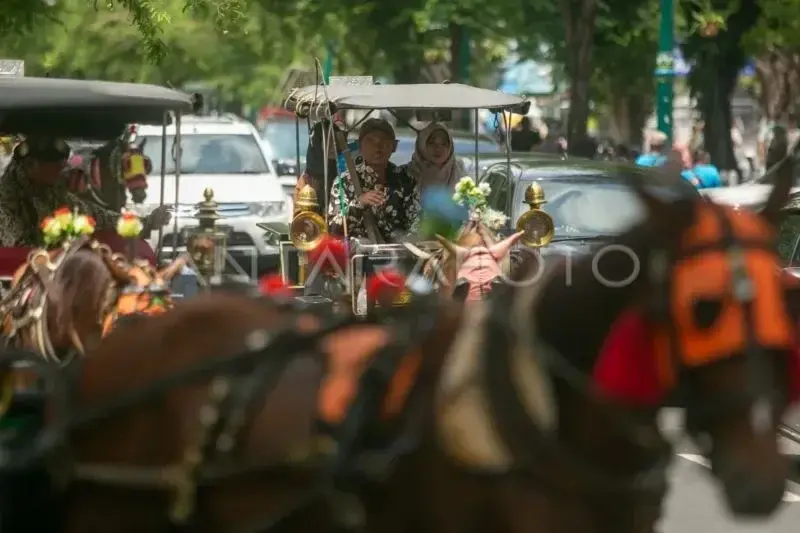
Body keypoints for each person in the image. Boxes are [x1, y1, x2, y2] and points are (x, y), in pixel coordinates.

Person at [0, 136, 171, 248]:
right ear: (30, 165)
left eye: (62, 165)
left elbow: (97, 216)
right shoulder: (5, 200)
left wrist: (144, 223)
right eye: (54, 168)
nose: (62, 171)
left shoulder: (53, 194)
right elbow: (19, 247)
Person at [327, 118, 419, 242]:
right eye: (370, 141)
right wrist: (359, 204)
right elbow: (333, 227)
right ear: (360, 145)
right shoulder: (344, 181)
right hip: (358, 255)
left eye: (384, 141)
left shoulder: (405, 180)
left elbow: (418, 219)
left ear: (394, 146)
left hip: (399, 254)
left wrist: (407, 243)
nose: (378, 147)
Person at [293, 120, 340, 216]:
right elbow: (301, 219)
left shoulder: (344, 172)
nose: (333, 145)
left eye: (335, 140)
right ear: (317, 143)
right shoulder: (307, 180)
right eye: (328, 140)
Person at [407, 122, 465, 194]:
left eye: (444, 144)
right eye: (431, 143)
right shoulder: (408, 174)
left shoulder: (459, 172)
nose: (438, 149)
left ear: (450, 147)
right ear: (422, 144)